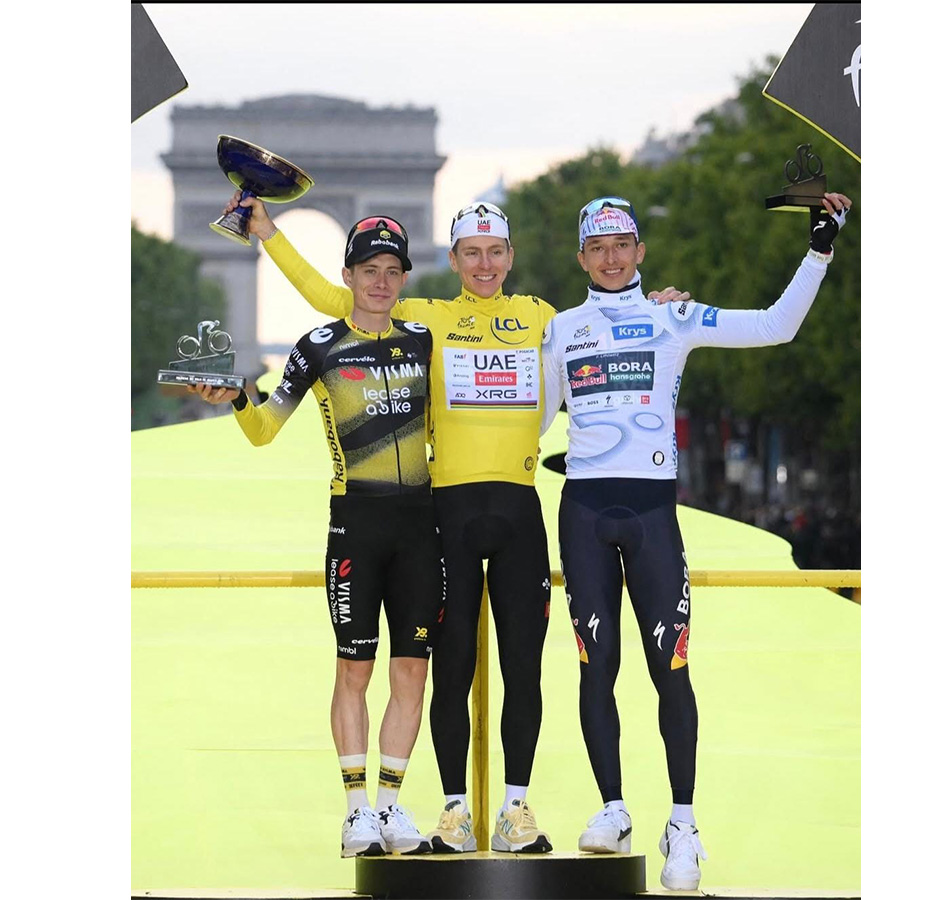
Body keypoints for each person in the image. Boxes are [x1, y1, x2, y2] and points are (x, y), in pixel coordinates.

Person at [223, 191, 690, 853]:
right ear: (453, 257)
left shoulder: (540, 317)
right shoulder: (425, 319)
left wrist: (658, 308)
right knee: (450, 669)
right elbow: (338, 303)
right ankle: (451, 809)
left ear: (511, 255)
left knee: (523, 668)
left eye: (496, 251)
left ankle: (515, 809)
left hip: (519, 509)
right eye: (471, 253)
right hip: (448, 510)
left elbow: (608, 327)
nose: (484, 264)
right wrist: (268, 232)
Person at [539, 192, 852, 890]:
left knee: (668, 667)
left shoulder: (672, 316)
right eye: (598, 248)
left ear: (641, 252)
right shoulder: (560, 331)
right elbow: (528, 425)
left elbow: (776, 327)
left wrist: (819, 251)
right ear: (581, 257)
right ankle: (613, 809)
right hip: (584, 512)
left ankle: (683, 824)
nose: (612, 258)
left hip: (652, 515)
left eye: (623, 245)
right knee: (597, 667)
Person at [190, 217, 443, 858]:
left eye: (392, 272)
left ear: (404, 279)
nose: (381, 283)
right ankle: (355, 810)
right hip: (355, 524)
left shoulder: (424, 340)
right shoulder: (320, 344)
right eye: (369, 272)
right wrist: (237, 397)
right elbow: (265, 427)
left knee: (412, 671)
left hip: (420, 526)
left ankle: (390, 807)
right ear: (348, 277)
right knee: (354, 669)